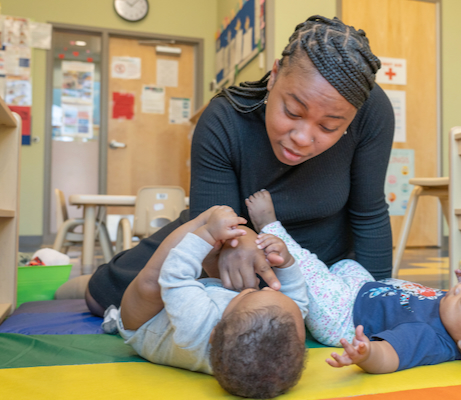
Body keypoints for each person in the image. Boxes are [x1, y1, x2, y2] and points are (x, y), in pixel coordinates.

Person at [85, 15, 394, 316]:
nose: (301, 138)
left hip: (321, 257)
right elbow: (211, 224)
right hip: (230, 243)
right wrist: (237, 238)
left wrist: (380, 301)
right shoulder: (224, 120)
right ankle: (74, 283)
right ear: (273, 75)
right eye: (292, 111)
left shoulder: (371, 111)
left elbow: (369, 213)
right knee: (103, 297)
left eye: (328, 128)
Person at [245, 190, 461, 374]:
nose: (456, 289)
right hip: (362, 288)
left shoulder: (429, 338)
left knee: (308, 270)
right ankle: (324, 270)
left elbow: (390, 357)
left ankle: (271, 228)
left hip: (343, 315)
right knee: (347, 264)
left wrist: (366, 352)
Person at [115, 204, 308, 398]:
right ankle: (215, 254)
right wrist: (286, 263)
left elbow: (175, 275)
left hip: (146, 323)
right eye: (274, 293)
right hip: (210, 300)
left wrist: (206, 233)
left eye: (252, 294)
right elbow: (298, 301)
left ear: (214, 334)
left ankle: (203, 220)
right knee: (235, 282)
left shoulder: (196, 330)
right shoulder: (255, 331)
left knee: (151, 285)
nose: (266, 287)